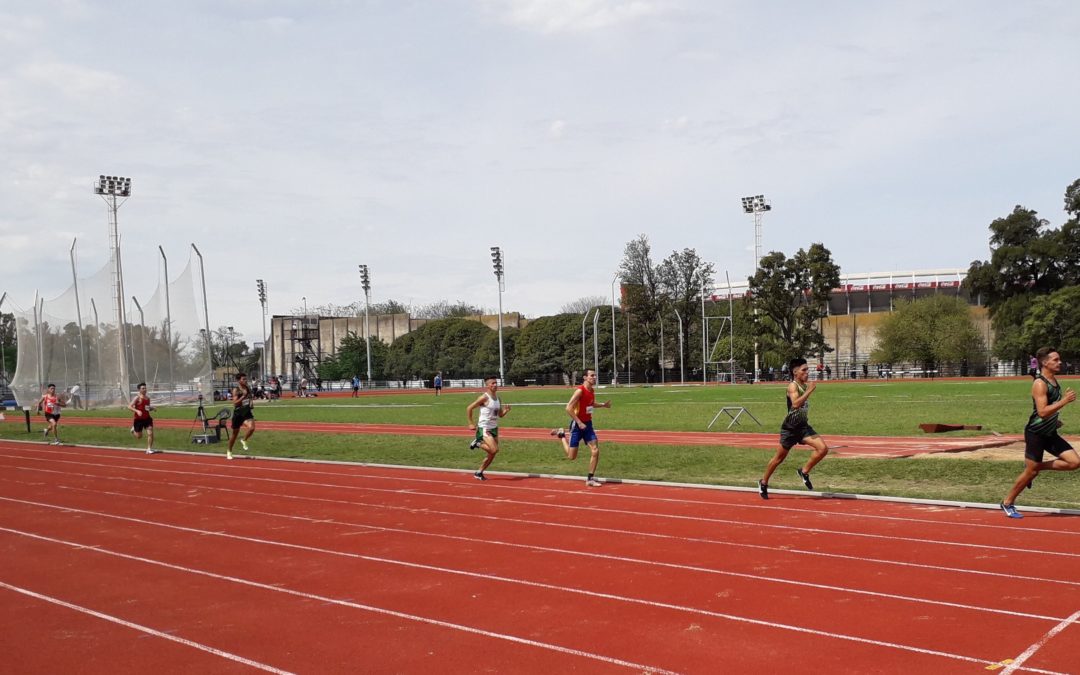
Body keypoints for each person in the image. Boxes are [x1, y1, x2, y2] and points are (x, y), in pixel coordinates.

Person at [1000, 347, 1079, 518]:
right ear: (1045, 362)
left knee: (1074, 462)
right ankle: (1007, 502)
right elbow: (1042, 412)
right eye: (1056, 360)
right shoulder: (1040, 383)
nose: (1060, 362)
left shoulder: (1054, 381)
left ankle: (1036, 468)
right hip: (1036, 433)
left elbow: (1047, 410)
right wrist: (1065, 401)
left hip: (1049, 432)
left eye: (1059, 359)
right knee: (1031, 472)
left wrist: (1054, 421)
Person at [758, 358, 830, 499]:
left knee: (823, 449)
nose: (807, 372)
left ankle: (804, 471)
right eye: (804, 370)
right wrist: (809, 391)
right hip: (790, 429)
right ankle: (764, 482)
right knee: (778, 459)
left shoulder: (803, 385)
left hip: (803, 427)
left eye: (807, 369)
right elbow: (795, 404)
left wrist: (807, 390)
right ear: (795, 372)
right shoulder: (793, 386)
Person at [550, 369, 611, 487]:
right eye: (592, 375)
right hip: (577, 426)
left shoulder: (591, 391)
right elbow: (568, 408)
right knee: (571, 456)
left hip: (588, 425)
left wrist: (603, 405)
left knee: (595, 450)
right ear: (585, 377)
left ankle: (590, 479)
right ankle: (561, 435)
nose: (594, 377)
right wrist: (579, 422)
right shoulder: (579, 391)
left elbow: (591, 404)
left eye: (595, 375)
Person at [465, 375, 510, 481]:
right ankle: (477, 443)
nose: (495, 385)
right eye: (492, 383)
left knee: (492, 453)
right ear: (487, 385)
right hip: (485, 428)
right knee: (494, 449)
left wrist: (506, 411)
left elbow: (500, 415)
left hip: (494, 428)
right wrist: (470, 423)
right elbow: (469, 408)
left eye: (496, 383)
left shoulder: (498, 398)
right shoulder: (484, 397)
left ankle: (479, 472)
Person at [226, 373, 256, 460]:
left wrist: (251, 403)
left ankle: (244, 440)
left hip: (246, 412)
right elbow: (235, 403)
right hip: (238, 413)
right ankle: (229, 451)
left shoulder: (247, 388)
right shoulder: (236, 390)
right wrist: (243, 396)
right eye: (243, 379)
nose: (245, 380)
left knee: (252, 428)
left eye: (246, 379)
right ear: (239, 380)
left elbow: (250, 397)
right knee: (234, 435)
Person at [127, 382, 159, 454]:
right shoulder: (137, 398)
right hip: (138, 420)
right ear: (139, 390)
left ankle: (149, 449)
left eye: (145, 388)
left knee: (150, 433)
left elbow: (147, 408)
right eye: (143, 388)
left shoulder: (148, 398)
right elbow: (129, 406)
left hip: (147, 419)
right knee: (139, 436)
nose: (145, 389)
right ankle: (133, 430)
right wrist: (137, 411)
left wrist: (152, 408)